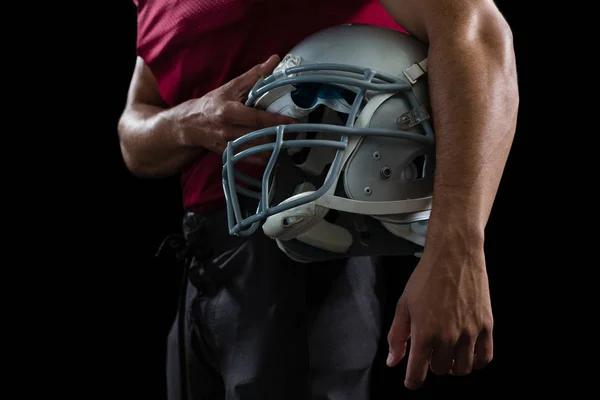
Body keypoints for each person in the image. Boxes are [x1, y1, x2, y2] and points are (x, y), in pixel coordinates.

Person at [118, 0, 519, 399]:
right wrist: (190, 121)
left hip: (310, 241)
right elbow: (133, 130)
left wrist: (456, 248)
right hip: (201, 261)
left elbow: (477, 28)